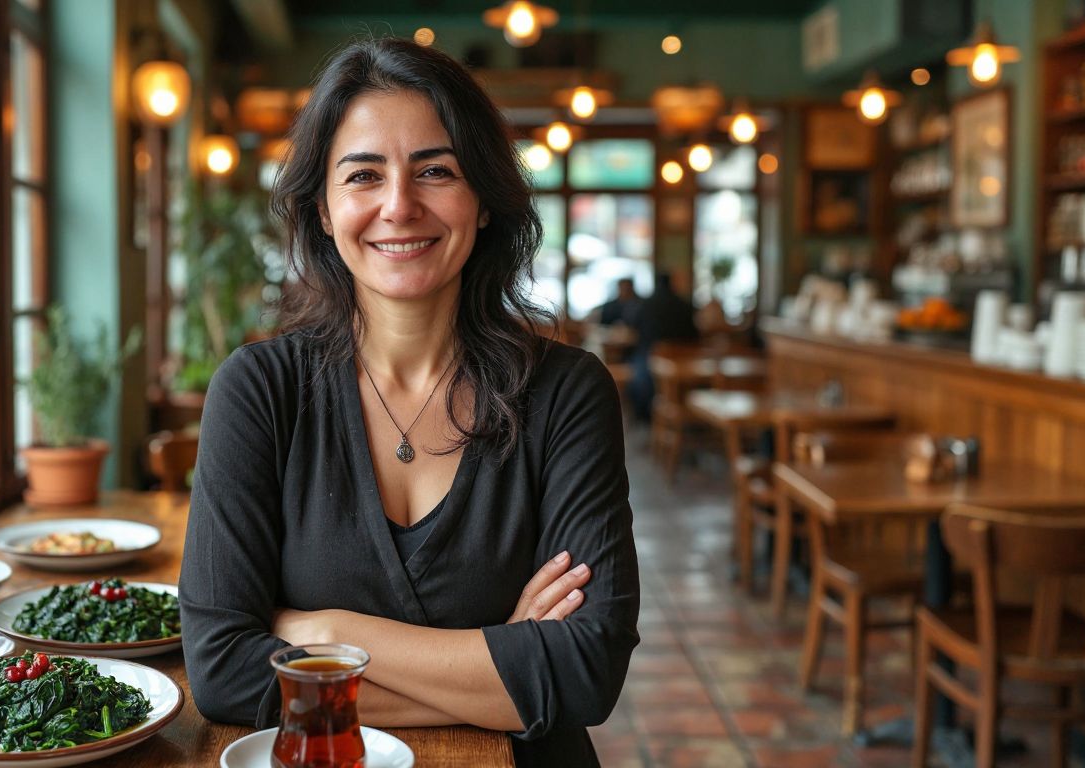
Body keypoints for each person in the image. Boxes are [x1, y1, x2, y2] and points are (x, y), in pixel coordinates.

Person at [179, 38, 640, 768]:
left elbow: (585, 675)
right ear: (324, 211)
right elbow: (223, 671)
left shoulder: (568, 392)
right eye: (363, 175)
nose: (399, 205)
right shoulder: (259, 390)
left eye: (435, 170)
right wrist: (510, 669)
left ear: (483, 201)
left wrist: (321, 635)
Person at [626, 270, 699, 419]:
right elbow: (694, 334)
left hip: (650, 356)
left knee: (634, 367)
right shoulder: (684, 304)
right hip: (683, 359)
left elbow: (632, 328)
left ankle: (643, 416)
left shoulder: (645, 304)